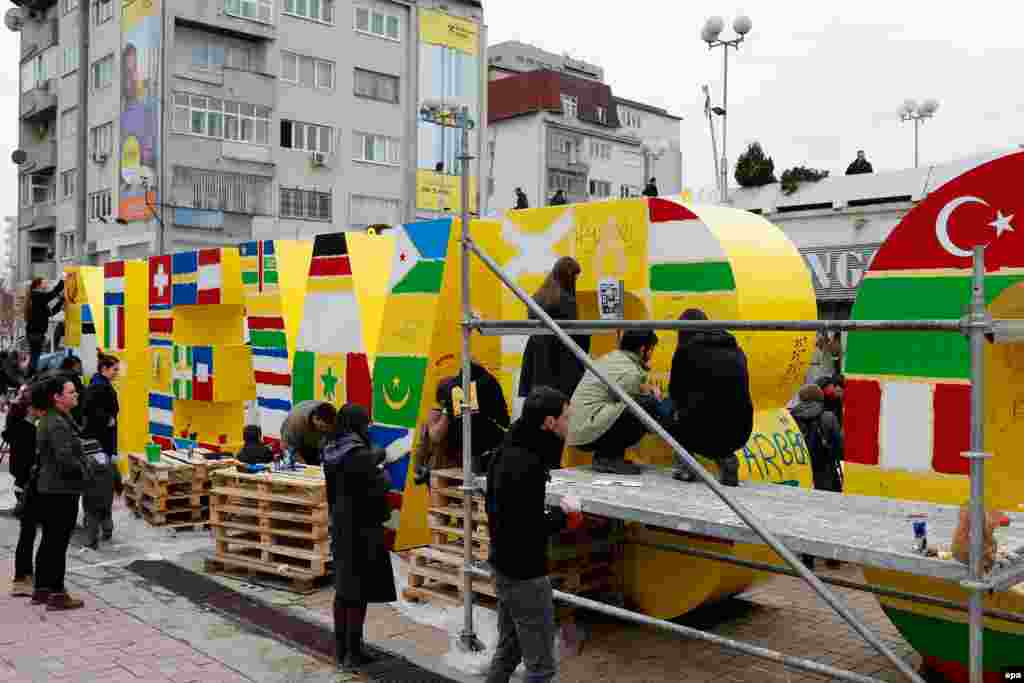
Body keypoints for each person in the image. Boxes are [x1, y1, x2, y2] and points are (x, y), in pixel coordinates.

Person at [485, 386, 582, 683]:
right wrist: (564, 516)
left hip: (504, 565)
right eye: (566, 417)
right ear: (549, 423)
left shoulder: (510, 450)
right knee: (541, 666)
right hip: (525, 574)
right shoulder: (525, 463)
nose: (570, 423)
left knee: (510, 650)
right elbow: (526, 527)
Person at [324, 404, 396, 670]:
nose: (369, 428)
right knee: (357, 592)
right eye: (366, 423)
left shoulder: (332, 448)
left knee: (344, 591)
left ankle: (342, 649)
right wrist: (382, 473)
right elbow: (379, 483)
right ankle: (353, 653)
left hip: (341, 525)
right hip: (362, 528)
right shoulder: (357, 454)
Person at [666, 309, 752, 487]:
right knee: (714, 409)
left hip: (702, 429)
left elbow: (676, 392)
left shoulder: (685, 351)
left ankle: (685, 467)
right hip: (740, 429)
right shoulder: (736, 349)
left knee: (669, 410)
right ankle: (726, 458)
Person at [567, 329, 663, 475]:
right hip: (586, 429)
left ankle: (609, 456)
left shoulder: (613, 358)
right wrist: (655, 397)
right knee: (647, 406)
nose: (652, 354)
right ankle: (608, 459)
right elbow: (633, 408)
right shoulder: (630, 371)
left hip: (579, 428)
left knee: (633, 407)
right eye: (652, 350)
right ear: (643, 349)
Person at [32, 375, 88, 610]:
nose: (76, 395)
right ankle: (56, 593)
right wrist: (86, 471)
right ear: (56, 397)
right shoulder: (56, 423)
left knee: (49, 540)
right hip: (60, 490)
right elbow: (65, 458)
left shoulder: (55, 419)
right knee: (57, 542)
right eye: (71, 392)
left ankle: (42, 589)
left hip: (52, 488)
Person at [414, 362, 510, 485]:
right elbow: (434, 437)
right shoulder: (437, 413)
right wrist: (448, 410)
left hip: (457, 467)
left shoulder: (463, 408)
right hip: (442, 470)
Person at [518, 257, 590, 399]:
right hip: (560, 362)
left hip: (537, 359)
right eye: (575, 279)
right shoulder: (566, 301)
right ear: (568, 278)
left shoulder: (537, 296)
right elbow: (574, 333)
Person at [791, 383, 843, 569]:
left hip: (803, 472)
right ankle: (832, 556)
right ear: (820, 398)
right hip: (825, 472)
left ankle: (807, 558)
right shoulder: (828, 417)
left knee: (805, 513)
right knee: (829, 513)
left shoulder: (791, 417)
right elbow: (839, 447)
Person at [82, 353, 123, 550]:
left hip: (99, 442)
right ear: (104, 369)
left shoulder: (97, 384)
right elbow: (91, 411)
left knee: (97, 489)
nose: (117, 372)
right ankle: (99, 530)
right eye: (114, 369)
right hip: (100, 442)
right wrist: (107, 419)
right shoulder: (99, 387)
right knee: (100, 488)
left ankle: (101, 528)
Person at [8, 384, 40, 597]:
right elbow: (19, 465)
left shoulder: (22, 427)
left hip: (23, 485)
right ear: (31, 408)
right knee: (27, 533)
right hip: (26, 487)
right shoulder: (26, 431)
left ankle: (25, 574)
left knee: (28, 532)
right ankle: (22, 578)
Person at [25, 277, 64, 375]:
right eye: (44, 283)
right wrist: (62, 281)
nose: (47, 284)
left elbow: (50, 313)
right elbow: (50, 296)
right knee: (35, 356)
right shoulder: (36, 295)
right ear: (38, 285)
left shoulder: (37, 298)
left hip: (36, 332)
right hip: (35, 332)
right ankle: (31, 376)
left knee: (35, 356)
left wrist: (61, 302)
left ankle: (31, 375)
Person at [280, 400, 337, 466]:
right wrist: (305, 466)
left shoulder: (332, 416)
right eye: (322, 427)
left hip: (316, 445)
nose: (324, 430)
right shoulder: (295, 422)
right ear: (315, 418)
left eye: (328, 428)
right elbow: (288, 448)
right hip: (298, 445)